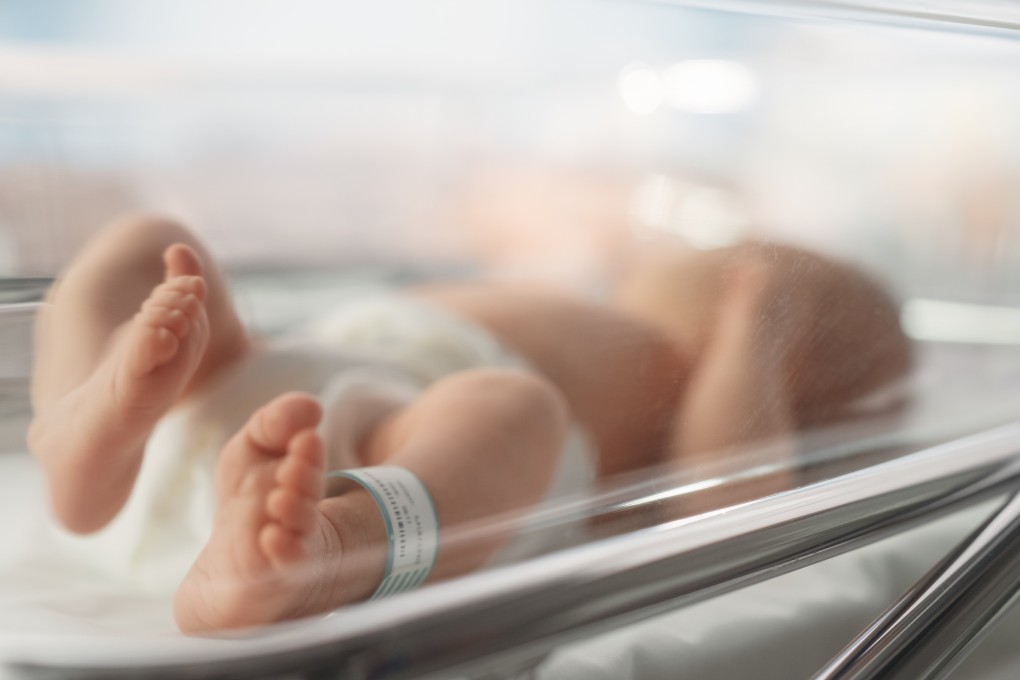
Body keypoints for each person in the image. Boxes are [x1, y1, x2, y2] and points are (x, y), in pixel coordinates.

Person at [26, 215, 910, 634]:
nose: (727, 257)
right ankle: (87, 430)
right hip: (244, 394)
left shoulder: (694, 379)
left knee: (510, 407)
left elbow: (725, 498)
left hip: (378, 460)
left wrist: (755, 327)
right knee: (150, 245)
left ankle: (336, 546)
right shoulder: (593, 308)